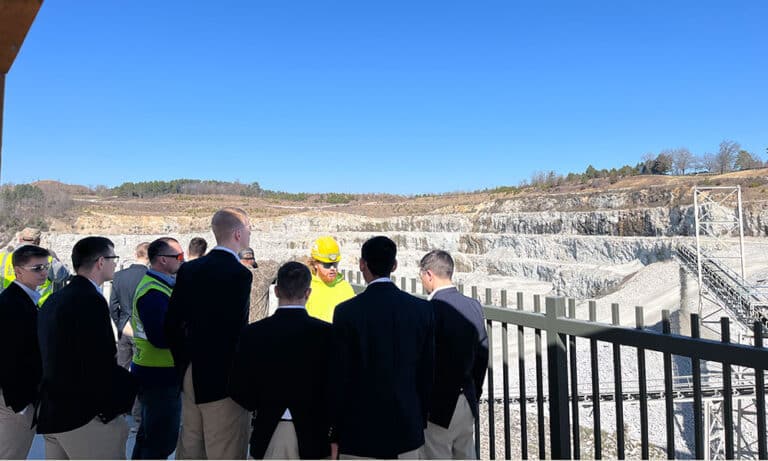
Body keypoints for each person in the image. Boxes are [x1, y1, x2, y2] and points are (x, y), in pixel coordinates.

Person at [330, 236, 434, 459]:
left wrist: (335, 432)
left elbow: (339, 377)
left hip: (359, 432)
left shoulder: (346, 312)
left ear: (362, 264)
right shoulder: (421, 310)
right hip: (406, 430)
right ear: (394, 266)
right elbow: (427, 373)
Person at [37, 236, 137, 459]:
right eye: (113, 258)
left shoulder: (55, 299)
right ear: (101, 261)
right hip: (84, 417)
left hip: (53, 412)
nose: (114, 264)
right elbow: (99, 361)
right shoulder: (90, 300)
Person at [165, 207, 253, 459]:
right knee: (225, 448)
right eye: (248, 228)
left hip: (191, 373)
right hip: (224, 379)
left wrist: (185, 362)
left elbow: (172, 324)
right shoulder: (239, 274)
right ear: (237, 234)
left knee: (191, 445)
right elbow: (236, 331)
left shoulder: (189, 270)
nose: (250, 233)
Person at [230, 261, 333, 459]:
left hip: (268, 428)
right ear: (308, 292)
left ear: (276, 291)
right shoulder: (327, 333)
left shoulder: (253, 333)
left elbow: (237, 387)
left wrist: (259, 404)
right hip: (314, 432)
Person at [418, 250, 488, 459]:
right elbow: (482, 355)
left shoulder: (429, 309)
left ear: (429, 274)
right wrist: (474, 392)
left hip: (437, 405)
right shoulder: (473, 306)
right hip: (466, 397)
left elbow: (423, 360)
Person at [130, 238, 184, 459]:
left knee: (149, 435)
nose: (183, 261)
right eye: (179, 257)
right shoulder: (154, 292)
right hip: (158, 373)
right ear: (163, 260)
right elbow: (160, 337)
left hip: (154, 370)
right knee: (161, 439)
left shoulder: (161, 286)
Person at [0, 245, 48, 459]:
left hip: (20, 396)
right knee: (11, 454)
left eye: (46, 267)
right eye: (37, 268)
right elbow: (8, 355)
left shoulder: (23, 299)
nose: (44, 273)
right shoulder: (11, 304)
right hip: (15, 398)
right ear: (19, 271)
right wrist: (19, 404)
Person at [0, 227, 71, 304]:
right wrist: (55, 258)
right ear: (38, 241)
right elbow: (63, 275)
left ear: (20, 239)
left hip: (7, 309)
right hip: (36, 310)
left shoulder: (2, 258)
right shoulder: (47, 260)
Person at [110, 242, 150, 370]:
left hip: (124, 327)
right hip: (143, 330)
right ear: (150, 257)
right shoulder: (150, 277)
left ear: (135, 254)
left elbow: (113, 305)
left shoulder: (119, 276)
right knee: (142, 368)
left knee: (121, 368)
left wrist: (120, 324)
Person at [305, 236, 354, 323]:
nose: (332, 268)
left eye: (335, 264)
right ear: (315, 263)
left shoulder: (346, 288)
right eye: (327, 265)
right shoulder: (305, 288)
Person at [238, 247, 279, 323]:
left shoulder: (233, 275)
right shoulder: (262, 274)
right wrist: (256, 263)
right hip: (258, 325)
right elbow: (275, 265)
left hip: (238, 326)